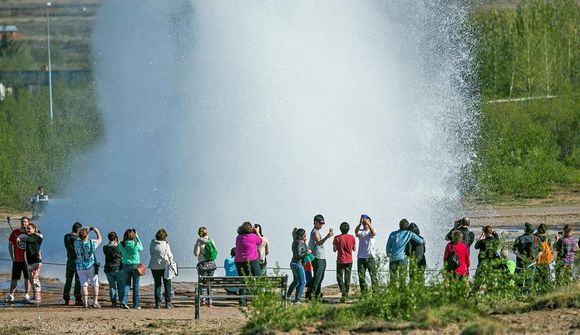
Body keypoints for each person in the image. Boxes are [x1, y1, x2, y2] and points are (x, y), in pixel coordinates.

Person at [386, 218, 424, 288]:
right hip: (402, 258)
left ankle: (392, 295)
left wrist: (389, 255)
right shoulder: (409, 233)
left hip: (392, 259)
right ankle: (402, 294)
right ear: (407, 226)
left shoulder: (392, 234)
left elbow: (388, 247)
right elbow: (421, 241)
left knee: (393, 279)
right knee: (402, 279)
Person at [305, 214, 333, 301]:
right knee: (317, 278)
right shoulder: (314, 232)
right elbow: (319, 242)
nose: (321, 225)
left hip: (321, 257)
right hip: (317, 258)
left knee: (320, 278)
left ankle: (317, 295)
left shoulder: (317, 231)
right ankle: (311, 295)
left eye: (322, 223)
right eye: (320, 223)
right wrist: (327, 237)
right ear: (315, 222)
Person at [74, 226, 102, 308]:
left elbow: (79, 237)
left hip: (80, 267)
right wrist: (96, 231)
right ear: (87, 235)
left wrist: (86, 231)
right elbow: (100, 239)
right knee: (95, 284)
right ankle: (95, 302)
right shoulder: (91, 243)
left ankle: (85, 303)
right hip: (91, 266)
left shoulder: (76, 243)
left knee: (84, 285)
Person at [4, 216, 31, 303]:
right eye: (22, 221)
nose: (24, 223)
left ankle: (27, 294)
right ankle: (11, 295)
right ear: (21, 222)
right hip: (17, 259)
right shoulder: (15, 232)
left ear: (28, 223)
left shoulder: (30, 233)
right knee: (14, 278)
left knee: (27, 277)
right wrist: (12, 256)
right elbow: (10, 245)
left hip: (27, 260)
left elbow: (36, 243)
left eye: (25, 222)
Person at [235, 222, 262, 305]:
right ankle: (256, 300)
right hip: (252, 261)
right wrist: (257, 231)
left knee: (243, 280)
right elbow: (260, 241)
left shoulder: (238, 237)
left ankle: (242, 301)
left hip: (239, 261)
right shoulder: (253, 237)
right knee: (257, 279)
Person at [118, 228, 144, 309]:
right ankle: (136, 305)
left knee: (126, 284)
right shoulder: (135, 244)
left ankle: (124, 301)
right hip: (135, 265)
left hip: (125, 265)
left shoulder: (121, 244)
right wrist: (137, 236)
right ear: (133, 236)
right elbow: (141, 248)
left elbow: (120, 251)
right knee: (136, 285)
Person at [18, 223, 43, 304]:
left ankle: (37, 297)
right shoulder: (30, 236)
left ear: (34, 229)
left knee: (35, 279)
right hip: (30, 262)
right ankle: (35, 295)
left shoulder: (35, 237)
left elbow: (29, 239)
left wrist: (20, 239)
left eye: (30, 228)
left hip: (36, 261)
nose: (28, 230)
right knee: (31, 279)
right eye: (27, 228)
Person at [149, 228, 174, 309]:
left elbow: (150, 252)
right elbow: (170, 256)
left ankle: (158, 303)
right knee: (167, 285)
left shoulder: (152, 243)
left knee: (157, 285)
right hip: (164, 267)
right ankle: (168, 303)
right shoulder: (166, 245)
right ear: (164, 237)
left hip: (154, 266)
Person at [194, 226, 218, 306]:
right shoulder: (211, 240)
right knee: (209, 283)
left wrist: (197, 245)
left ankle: (203, 300)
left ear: (199, 233)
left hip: (203, 265)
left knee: (202, 282)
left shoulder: (199, 242)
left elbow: (196, 254)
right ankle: (210, 301)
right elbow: (215, 252)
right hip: (211, 264)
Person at [355, 214, 378, 293]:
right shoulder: (361, 231)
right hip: (361, 257)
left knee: (373, 276)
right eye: (364, 222)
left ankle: (375, 292)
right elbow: (356, 232)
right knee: (361, 277)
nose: (365, 223)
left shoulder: (372, 230)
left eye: (367, 221)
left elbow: (374, 233)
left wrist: (368, 223)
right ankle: (364, 293)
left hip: (370, 257)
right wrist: (360, 223)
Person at [333, 222, 356, 302]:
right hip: (349, 260)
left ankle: (343, 292)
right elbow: (354, 249)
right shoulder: (352, 237)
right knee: (347, 277)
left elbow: (334, 249)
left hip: (340, 260)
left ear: (340, 229)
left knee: (339, 277)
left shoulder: (337, 238)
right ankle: (346, 294)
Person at [512, 222, 539, 289]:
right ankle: (528, 294)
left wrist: (523, 258)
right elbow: (540, 251)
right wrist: (534, 259)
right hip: (532, 263)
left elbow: (515, 251)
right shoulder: (537, 239)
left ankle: (518, 295)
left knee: (519, 280)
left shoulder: (519, 238)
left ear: (525, 230)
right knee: (529, 280)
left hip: (520, 263)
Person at [287, 228, 309, 304]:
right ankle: (297, 299)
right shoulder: (298, 243)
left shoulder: (297, 242)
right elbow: (298, 254)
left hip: (294, 263)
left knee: (296, 281)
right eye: (305, 235)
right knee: (302, 282)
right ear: (301, 236)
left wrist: (305, 243)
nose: (306, 236)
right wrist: (307, 253)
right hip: (298, 264)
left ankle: (288, 296)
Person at [63, 222, 83, 306]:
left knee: (68, 280)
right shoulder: (77, 239)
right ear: (79, 230)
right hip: (77, 260)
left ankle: (66, 298)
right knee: (78, 280)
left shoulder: (66, 236)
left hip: (69, 260)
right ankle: (78, 299)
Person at [103, 231, 123, 307]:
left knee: (112, 286)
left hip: (108, 269)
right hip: (117, 268)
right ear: (116, 238)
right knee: (120, 285)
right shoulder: (117, 248)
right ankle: (121, 301)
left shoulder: (105, 247)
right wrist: (119, 244)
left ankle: (113, 301)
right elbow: (120, 255)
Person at [534, 223, 552, 293]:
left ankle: (535, 295)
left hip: (537, 261)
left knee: (536, 281)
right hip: (546, 262)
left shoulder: (535, 237)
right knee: (546, 280)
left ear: (538, 229)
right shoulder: (547, 238)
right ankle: (545, 294)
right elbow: (550, 248)